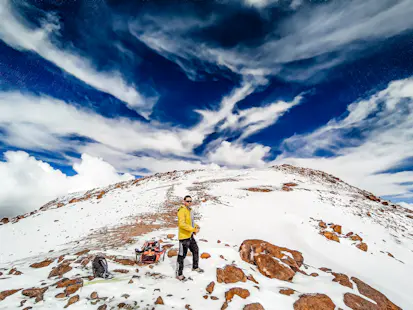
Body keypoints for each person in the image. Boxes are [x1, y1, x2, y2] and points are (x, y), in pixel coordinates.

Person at [176, 195, 204, 280]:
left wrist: (196, 226)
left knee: (195, 250)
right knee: (182, 256)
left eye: (190, 201)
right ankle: (179, 274)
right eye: (187, 201)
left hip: (190, 236)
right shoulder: (182, 210)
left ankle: (195, 267)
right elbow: (182, 224)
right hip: (184, 237)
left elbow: (190, 222)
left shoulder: (190, 210)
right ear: (184, 201)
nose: (189, 202)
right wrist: (193, 229)